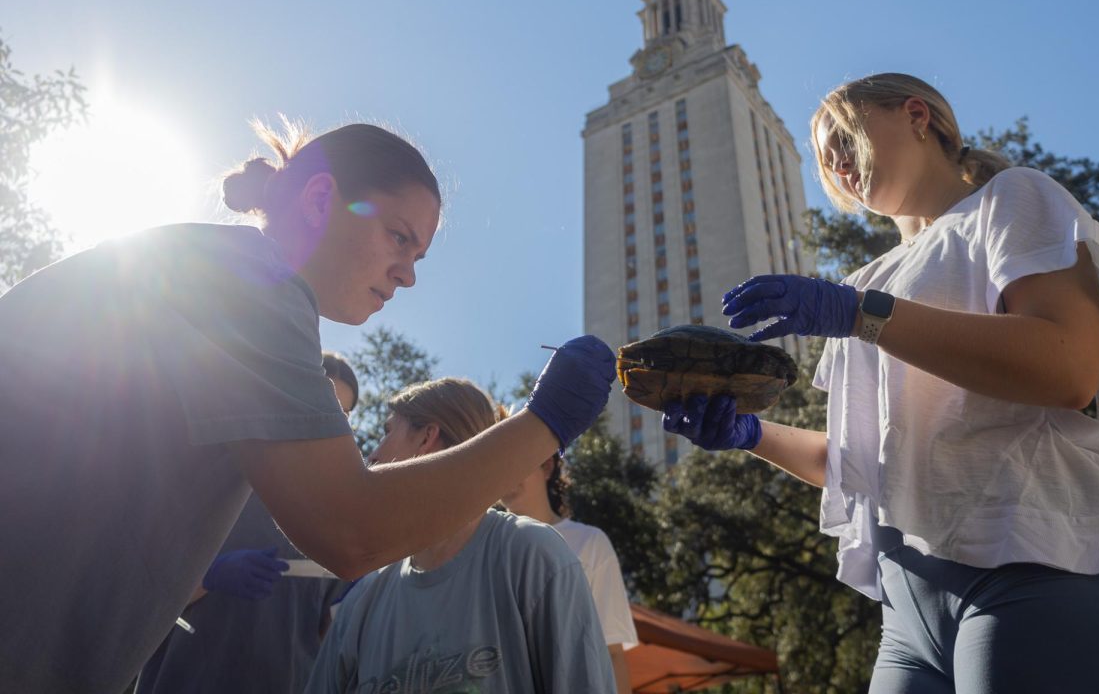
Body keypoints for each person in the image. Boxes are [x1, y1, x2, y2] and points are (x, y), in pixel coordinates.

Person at [0, 119, 616, 694]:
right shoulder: (250, 285)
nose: (407, 276)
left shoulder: (206, 265)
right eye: (398, 237)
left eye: (418, 256)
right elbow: (350, 531)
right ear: (321, 200)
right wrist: (548, 419)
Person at [662, 73, 1099, 692]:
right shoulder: (868, 276)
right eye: (821, 157)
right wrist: (750, 433)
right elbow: (866, 465)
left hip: (1047, 565)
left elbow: (1069, 367)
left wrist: (860, 313)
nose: (834, 163)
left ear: (917, 114)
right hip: (906, 618)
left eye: (842, 135)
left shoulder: (1012, 199)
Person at [306, 378, 616, 694]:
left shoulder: (534, 558)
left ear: (427, 436)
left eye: (387, 432)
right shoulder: (363, 601)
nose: (371, 456)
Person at [135, 352, 360, 694]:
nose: (335, 423)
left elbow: (328, 632)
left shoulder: (336, 516)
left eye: (344, 415)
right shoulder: (219, 479)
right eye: (328, 406)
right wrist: (208, 577)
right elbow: (135, 595)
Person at [502, 453, 638, 694]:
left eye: (514, 460)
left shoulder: (591, 542)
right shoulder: (485, 552)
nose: (504, 475)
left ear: (547, 466)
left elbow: (612, 654)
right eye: (496, 466)